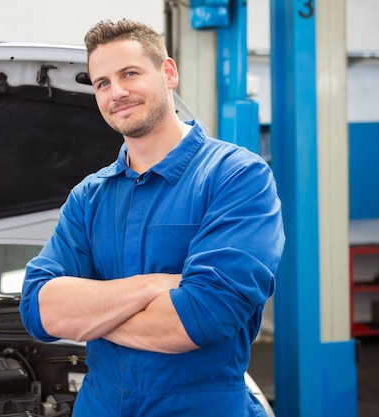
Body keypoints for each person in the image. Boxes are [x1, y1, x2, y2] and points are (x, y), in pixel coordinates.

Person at [19, 18, 285, 416]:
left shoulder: (235, 177)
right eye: (102, 83)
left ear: (168, 73)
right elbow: (39, 309)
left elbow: (201, 316)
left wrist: (87, 318)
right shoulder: (89, 197)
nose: (117, 92)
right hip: (100, 405)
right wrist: (152, 287)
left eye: (130, 73)